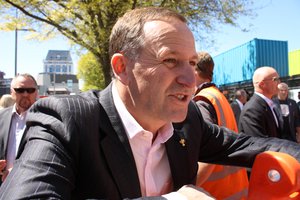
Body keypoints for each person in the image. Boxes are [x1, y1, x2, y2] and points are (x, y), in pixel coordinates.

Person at [1, 7, 300, 200]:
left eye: (192, 63)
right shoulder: (66, 120)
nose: (189, 79)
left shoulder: (188, 120)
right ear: (122, 68)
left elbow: (251, 145)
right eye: (170, 60)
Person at [193, 51, 248, 199]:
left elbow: (207, 155)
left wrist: (183, 189)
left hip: (216, 193)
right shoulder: (217, 96)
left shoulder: (202, 101)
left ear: (195, 71)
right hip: (235, 188)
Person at [0, 73, 38, 185]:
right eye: (20, 90)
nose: (25, 94)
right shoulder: (1, 117)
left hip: (31, 188)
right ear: (12, 93)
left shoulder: (46, 119)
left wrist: (18, 171)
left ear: (36, 92)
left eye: (30, 90)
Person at [239, 66, 283, 138]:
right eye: (275, 79)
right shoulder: (251, 110)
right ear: (262, 84)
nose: (279, 82)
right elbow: (259, 144)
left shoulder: (269, 104)